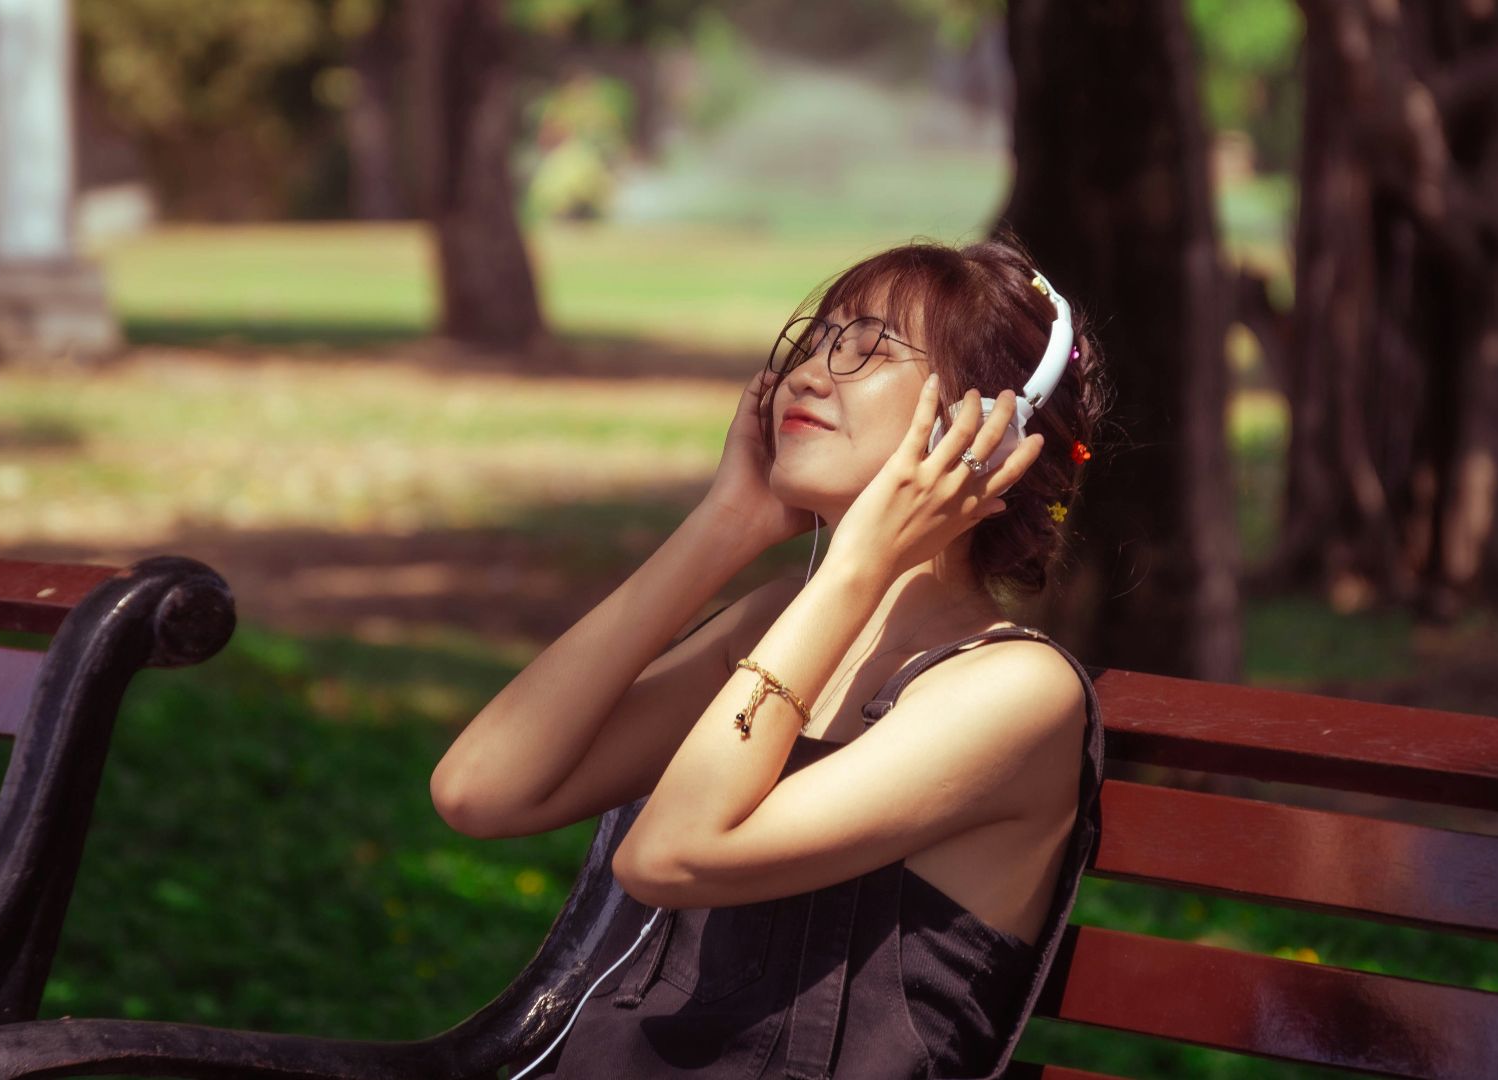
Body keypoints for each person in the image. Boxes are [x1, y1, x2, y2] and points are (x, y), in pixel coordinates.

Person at [430, 235, 1114, 1078]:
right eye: (816, 341)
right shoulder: (780, 624)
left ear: (990, 425)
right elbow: (480, 791)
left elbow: (667, 855)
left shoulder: (1013, 692)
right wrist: (727, 524)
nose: (812, 374)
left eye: (867, 347)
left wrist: (857, 564)